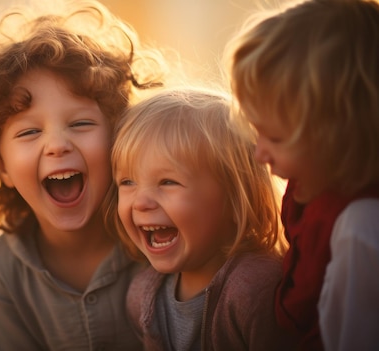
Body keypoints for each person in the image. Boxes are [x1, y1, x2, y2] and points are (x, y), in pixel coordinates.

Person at [0, 0, 168, 349]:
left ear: (119, 138)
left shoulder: (156, 229)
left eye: (80, 123)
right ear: (0, 165)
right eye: (29, 133)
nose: (57, 145)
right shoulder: (6, 265)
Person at [227, 0, 379, 349]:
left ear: (341, 133)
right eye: (257, 132)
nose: (259, 153)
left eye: (276, 138)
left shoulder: (361, 228)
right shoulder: (308, 188)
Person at [107, 89, 290, 350]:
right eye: (127, 182)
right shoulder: (141, 296)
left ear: (235, 199)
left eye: (168, 182)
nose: (140, 202)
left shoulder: (255, 291)